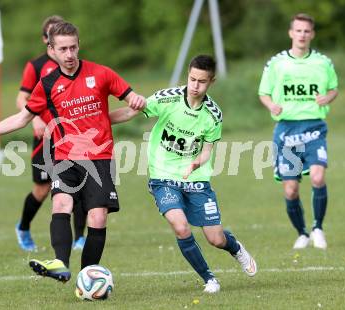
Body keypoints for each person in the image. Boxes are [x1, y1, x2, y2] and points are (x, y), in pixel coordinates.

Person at [0, 21, 146, 282]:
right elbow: (21, 118)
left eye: (73, 48)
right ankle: (60, 263)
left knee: (98, 217)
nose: (69, 55)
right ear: (52, 49)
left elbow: (132, 103)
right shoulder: (47, 84)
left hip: (99, 157)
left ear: (79, 45)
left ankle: (87, 276)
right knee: (60, 202)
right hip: (65, 157)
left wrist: (137, 102)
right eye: (63, 49)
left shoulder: (101, 73)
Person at [109, 55, 257, 294]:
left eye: (202, 81)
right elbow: (129, 113)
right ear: (187, 75)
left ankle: (236, 248)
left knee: (216, 238)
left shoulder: (213, 115)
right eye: (192, 79)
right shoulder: (167, 98)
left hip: (196, 179)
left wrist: (196, 163)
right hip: (163, 177)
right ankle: (209, 279)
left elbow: (207, 151)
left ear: (211, 82)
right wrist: (97, 121)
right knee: (180, 227)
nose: (195, 86)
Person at [258, 13, 338, 250]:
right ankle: (302, 233)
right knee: (291, 189)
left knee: (317, 177)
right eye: (298, 30)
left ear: (312, 34)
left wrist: (328, 97)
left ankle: (318, 229)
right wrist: (271, 104)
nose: (302, 35)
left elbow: (333, 89)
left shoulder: (323, 62)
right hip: (287, 131)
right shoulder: (276, 63)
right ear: (291, 33)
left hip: (314, 127)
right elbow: (264, 92)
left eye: (306, 31)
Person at [14, 15, 87, 252]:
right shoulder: (36, 66)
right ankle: (23, 227)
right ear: (47, 40)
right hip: (45, 139)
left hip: (71, 138)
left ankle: (79, 238)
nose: (66, 51)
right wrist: (35, 118)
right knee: (42, 190)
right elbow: (22, 98)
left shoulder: (75, 63)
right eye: (50, 35)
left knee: (79, 186)